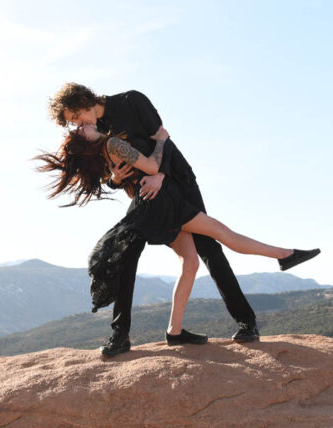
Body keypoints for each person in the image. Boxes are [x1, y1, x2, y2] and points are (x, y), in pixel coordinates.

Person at [34, 106, 321, 356]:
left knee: (191, 262)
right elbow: (152, 164)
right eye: (79, 127)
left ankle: (175, 331)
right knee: (223, 234)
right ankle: (284, 255)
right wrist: (161, 141)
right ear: (86, 138)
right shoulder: (112, 144)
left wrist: (115, 179)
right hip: (163, 205)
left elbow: (121, 176)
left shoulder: (105, 150)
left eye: (78, 121)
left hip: (151, 207)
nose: (80, 124)